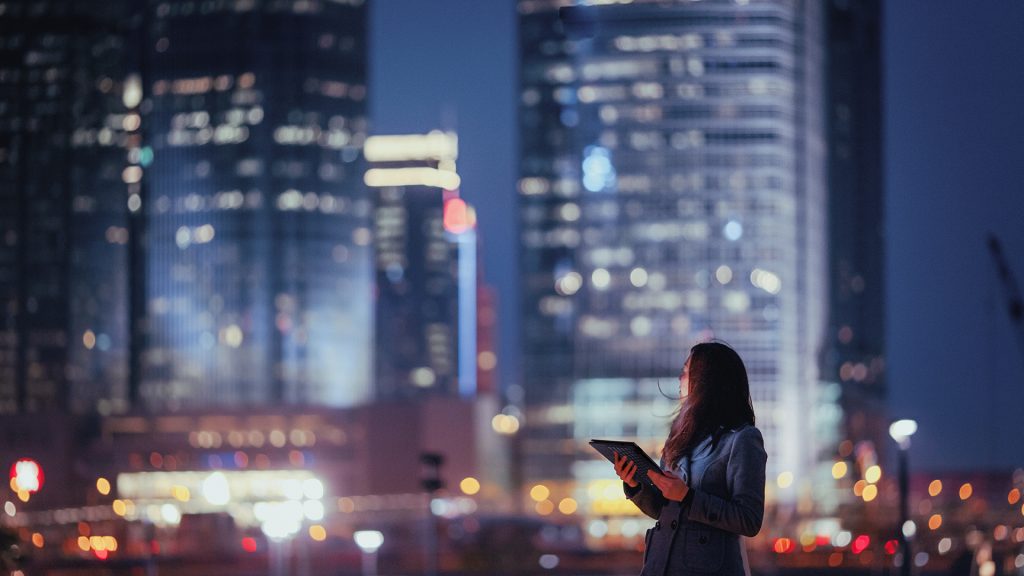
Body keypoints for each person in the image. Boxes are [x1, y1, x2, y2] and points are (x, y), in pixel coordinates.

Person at [612, 341, 767, 576]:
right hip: (659, 565)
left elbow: (749, 519)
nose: (679, 378)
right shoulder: (679, 436)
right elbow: (665, 512)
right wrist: (635, 484)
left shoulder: (743, 439)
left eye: (686, 372)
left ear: (708, 381)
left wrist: (688, 497)